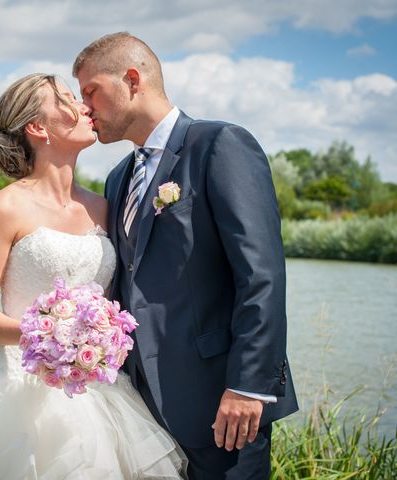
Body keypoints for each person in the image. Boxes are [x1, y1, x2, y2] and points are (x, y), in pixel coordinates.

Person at [0, 73, 185, 479]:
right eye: (68, 98)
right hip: (21, 395)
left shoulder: (103, 206)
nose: (85, 106)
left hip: (99, 392)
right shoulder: (4, 209)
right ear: (37, 127)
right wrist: (45, 338)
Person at [73, 32, 299, 479]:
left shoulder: (220, 144)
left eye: (90, 92)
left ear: (132, 80)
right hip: (142, 410)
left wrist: (247, 386)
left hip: (224, 406)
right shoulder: (119, 178)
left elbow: (261, 276)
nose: (85, 108)